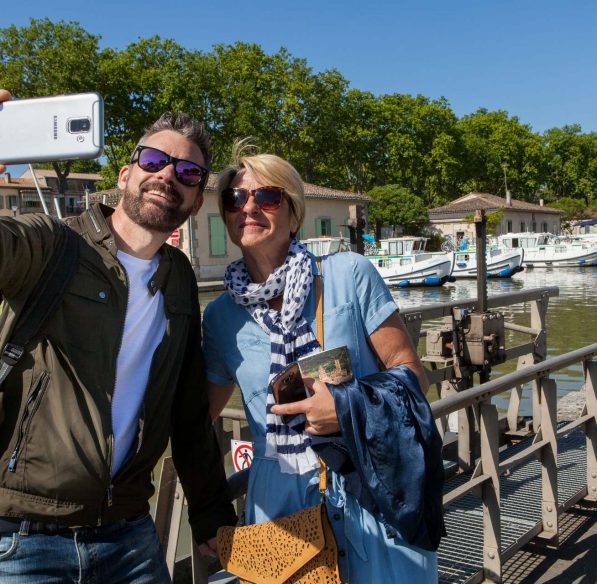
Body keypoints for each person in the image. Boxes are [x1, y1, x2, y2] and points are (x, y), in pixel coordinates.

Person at [0, 89, 236, 583]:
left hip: (128, 533)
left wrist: (212, 516)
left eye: (188, 173)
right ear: (125, 174)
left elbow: (189, 411)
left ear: (194, 203)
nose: (168, 175)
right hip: (23, 537)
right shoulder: (52, 244)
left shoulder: (178, 277)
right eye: (154, 159)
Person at [203, 143, 442, 583]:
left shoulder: (349, 274)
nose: (248, 207)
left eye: (266, 196)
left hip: (366, 482)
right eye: (235, 199)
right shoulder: (220, 318)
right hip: (277, 502)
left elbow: (412, 374)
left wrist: (346, 406)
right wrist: (207, 508)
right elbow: (198, 418)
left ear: (292, 212)